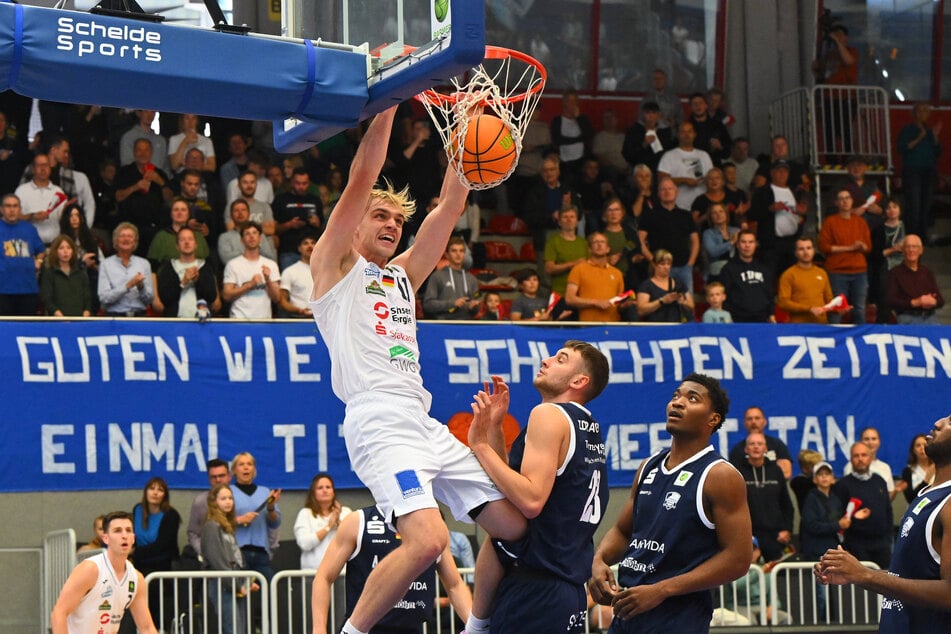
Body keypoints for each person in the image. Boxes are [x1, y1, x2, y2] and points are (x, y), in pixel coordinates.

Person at [308, 106, 526, 634]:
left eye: (398, 220)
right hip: (378, 422)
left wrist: (466, 133)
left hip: (422, 423)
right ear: (356, 220)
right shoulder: (335, 267)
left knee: (516, 527)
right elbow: (362, 177)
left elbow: (452, 204)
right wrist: (387, 105)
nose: (392, 225)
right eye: (380, 216)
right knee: (428, 541)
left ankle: (478, 627)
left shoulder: (403, 275)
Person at [462, 341, 610, 634]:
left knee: (496, 533)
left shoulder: (549, 415)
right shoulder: (586, 425)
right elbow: (512, 489)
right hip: (566, 592)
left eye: (561, 359)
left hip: (536, 590)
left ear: (579, 381)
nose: (547, 360)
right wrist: (494, 428)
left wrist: (479, 445)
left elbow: (530, 501)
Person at [588, 373, 752, 632]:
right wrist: (599, 561)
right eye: (676, 396)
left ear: (713, 419)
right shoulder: (647, 466)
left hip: (678, 614)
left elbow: (739, 559)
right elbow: (623, 530)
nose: (677, 402)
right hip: (629, 609)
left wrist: (662, 589)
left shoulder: (720, 475)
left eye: (692, 398)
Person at [816, 413, 951, 633]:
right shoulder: (929, 494)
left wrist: (864, 574)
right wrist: (855, 575)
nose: (937, 423)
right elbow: (906, 576)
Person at [312, 504, 472, 634]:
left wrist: (474, 628)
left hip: (412, 627)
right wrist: (319, 629)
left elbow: (455, 585)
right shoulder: (358, 521)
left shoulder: (433, 528)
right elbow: (324, 577)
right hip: (363, 628)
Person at [51, 511, 158, 634]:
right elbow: (59, 613)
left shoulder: (136, 579)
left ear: (133, 538)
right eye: (117, 531)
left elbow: (146, 628)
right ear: (105, 538)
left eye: (128, 530)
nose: (124, 535)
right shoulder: (90, 569)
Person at [129, 477, 180, 631]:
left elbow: (162, 545)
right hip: (139, 565)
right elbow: (134, 537)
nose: (155, 493)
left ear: (165, 494)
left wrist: (134, 553)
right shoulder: (137, 509)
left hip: (162, 567)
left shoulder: (171, 515)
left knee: (158, 610)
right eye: (152, 488)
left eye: (160, 489)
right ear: (146, 492)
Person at [832, 441, 893, 570]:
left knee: (885, 586)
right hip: (856, 545)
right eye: (856, 456)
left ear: (870, 458)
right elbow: (837, 517)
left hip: (882, 545)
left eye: (864, 455)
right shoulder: (842, 486)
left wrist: (888, 538)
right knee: (860, 589)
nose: (860, 459)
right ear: (851, 459)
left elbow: (888, 511)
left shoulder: (879, 480)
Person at [201, 484, 252, 634]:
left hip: (234, 581)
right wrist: (236, 585)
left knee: (240, 628)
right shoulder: (211, 526)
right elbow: (218, 561)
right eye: (223, 498)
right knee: (233, 628)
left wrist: (245, 583)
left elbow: (236, 557)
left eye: (230, 498)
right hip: (222, 583)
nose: (228, 501)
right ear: (214, 502)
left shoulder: (227, 526)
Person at [736, 432, 794, 563]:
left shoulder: (776, 470)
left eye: (760, 444)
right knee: (747, 579)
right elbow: (731, 506)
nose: (756, 447)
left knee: (777, 578)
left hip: (775, 535)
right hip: (748, 535)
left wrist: (787, 529)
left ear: (766, 448)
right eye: (752, 444)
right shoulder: (737, 471)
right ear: (746, 449)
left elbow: (786, 504)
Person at [637, 177, 699, 296]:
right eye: (663, 189)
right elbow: (640, 240)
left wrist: (690, 263)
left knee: (687, 305)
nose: (667, 192)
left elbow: (695, 241)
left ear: (677, 192)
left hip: (683, 267)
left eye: (670, 189)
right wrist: (652, 260)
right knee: (661, 304)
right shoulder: (649, 215)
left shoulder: (686, 215)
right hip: (659, 267)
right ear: (658, 193)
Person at [799, 461, 847, 616]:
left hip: (833, 551)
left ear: (833, 478)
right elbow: (812, 525)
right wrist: (838, 525)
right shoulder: (811, 499)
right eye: (820, 474)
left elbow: (839, 524)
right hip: (817, 552)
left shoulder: (835, 499)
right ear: (814, 479)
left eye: (827, 474)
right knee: (821, 595)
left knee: (835, 595)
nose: (824, 478)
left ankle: (834, 623)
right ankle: (821, 624)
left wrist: (843, 524)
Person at [748, 160, 808, 282]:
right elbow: (752, 214)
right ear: (772, 173)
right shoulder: (763, 191)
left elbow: (802, 213)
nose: (782, 174)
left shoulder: (795, 191)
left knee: (792, 278)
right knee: (769, 277)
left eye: (785, 171)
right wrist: (770, 209)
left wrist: (802, 217)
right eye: (779, 171)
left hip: (791, 242)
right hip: (771, 244)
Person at [818, 187, 871, 324]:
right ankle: (834, 340)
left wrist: (862, 247)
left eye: (847, 198)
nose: (844, 201)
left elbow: (868, 247)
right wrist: (850, 248)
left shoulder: (861, 222)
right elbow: (824, 247)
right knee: (837, 309)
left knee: (859, 309)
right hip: (837, 271)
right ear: (836, 203)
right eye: (841, 199)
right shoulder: (830, 221)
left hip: (859, 271)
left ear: (852, 201)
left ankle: (861, 340)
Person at [115, 138, 172, 254]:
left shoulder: (159, 173)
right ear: (134, 152)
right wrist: (135, 187)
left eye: (146, 150)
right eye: (139, 150)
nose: (143, 153)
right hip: (130, 229)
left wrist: (159, 181)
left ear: (151, 153)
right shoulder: (124, 172)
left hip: (155, 229)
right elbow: (117, 197)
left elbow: (170, 198)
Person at [897, 102, 942, 241]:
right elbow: (902, 148)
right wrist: (919, 137)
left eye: (926, 111)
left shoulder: (930, 131)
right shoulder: (908, 129)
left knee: (926, 204)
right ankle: (912, 236)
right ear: (914, 113)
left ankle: (922, 236)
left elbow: (937, 152)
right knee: (914, 204)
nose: (923, 113)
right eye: (920, 110)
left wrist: (935, 136)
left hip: (928, 171)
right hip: (912, 170)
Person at [152, 226, 220, 318]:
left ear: (196, 245)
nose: (187, 242)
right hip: (175, 321)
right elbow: (165, 297)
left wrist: (197, 281)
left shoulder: (205, 266)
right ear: (177, 246)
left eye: (190, 239)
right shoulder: (169, 267)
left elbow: (211, 296)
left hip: (202, 321)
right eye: (182, 240)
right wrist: (183, 282)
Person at [221, 222, 281, 319]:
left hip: (264, 320)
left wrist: (268, 279)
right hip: (239, 319)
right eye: (247, 234)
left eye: (254, 233)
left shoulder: (271, 264)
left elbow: (277, 298)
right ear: (242, 240)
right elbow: (226, 296)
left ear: (260, 238)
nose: (251, 236)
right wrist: (249, 285)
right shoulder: (233, 265)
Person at [565, 232, 630, 322]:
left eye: (602, 242)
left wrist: (625, 306)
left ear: (608, 249)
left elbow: (618, 304)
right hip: (588, 326)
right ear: (589, 249)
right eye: (595, 242)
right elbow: (569, 299)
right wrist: (595, 302)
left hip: (612, 326)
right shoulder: (579, 269)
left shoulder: (617, 273)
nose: (599, 245)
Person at [294, 473, 352, 571]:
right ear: (313, 493)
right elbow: (304, 544)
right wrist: (328, 527)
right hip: (313, 572)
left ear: (333, 491)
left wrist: (338, 523)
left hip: (342, 571)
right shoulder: (305, 513)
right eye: (320, 488)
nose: (325, 490)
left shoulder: (345, 512)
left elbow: (354, 540)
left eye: (328, 487)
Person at [0, 193, 45, 315]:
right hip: (3, 289)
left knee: (27, 328)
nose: (12, 210)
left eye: (15, 206)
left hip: (28, 288)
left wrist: (39, 261)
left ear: (20, 209)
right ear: (1, 209)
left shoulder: (30, 229)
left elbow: (41, 250)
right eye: (8, 206)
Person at [884, 234, 945, 325]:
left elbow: (940, 300)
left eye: (914, 247)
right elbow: (890, 300)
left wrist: (933, 302)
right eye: (908, 247)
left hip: (930, 317)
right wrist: (915, 302)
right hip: (908, 317)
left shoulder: (927, 272)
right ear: (903, 250)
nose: (911, 250)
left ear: (921, 251)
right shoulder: (895, 272)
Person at [272, 167, 323, 271]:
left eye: (304, 183)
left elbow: (322, 226)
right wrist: (289, 225)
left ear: (309, 183)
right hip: (289, 250)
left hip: (312, 251)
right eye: (297, 183)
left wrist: (317, 223)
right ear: (291, 182)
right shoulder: (281, 199)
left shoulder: (315, 200)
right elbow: (274, 229)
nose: (301, 187)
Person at [719, 230, 776, 323]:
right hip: (738, 321)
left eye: (751, 242)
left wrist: (771, 314)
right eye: (743, 242)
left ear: (756, 244)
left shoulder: (764, 269)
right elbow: (724, 296)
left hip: (762, 320)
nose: (747, 245)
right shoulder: (728, 269)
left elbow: (770, 295)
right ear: (737, 245)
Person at [98, 223, 154, 317]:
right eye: (122, 236)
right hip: (114, 318)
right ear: (116, 241)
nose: (126, 239)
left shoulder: (144, 264)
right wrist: (128, 286)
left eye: (130, 236)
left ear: (135, 241)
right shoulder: (106, 264)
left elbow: (149, 300)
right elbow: (104, 298)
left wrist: (141, 287)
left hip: (139, 317)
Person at [657, 121, 714, 211]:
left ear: (694, 134)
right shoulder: (669, 156)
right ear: (678, 135)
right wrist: (684, 180)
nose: (686, 135)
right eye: (683, 132)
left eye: (689, 131)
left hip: (702, 206)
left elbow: (712, 178)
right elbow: (661, 180)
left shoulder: (704, 155)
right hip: (678, 206)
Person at [423, 236, 482, 319]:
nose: (458, 254)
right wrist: (452, 304)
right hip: (443, 325)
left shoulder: (472, 279)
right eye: (454, 251)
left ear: (464, 254)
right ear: (447, 254)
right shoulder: (437, 276)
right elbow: (428, 304)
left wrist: (474, 306)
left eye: (461, 251)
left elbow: (476, 307)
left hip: (466, 324)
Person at [776, 236, 833, 324]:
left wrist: (839, 308)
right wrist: (808, 309)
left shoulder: (822, 273)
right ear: (795, 253)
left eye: (809, 248)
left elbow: (829, 299)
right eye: (801, 249)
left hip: (821, 325)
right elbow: (783, 302)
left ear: (814, 250)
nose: (806, 252)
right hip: (798, 327)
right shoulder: (788, 274)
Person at [15, 152, 68, 245]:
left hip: (54, 245)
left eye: (46, 165)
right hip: (27, 244)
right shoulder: (21, 191)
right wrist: (32, 216)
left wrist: (69, 210)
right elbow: (13, 217)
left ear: (50, 168)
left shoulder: (58, 191)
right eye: (39, 165)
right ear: (33, 169)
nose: (43, 169)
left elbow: (64, 219)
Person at [59, 202, 103, 312]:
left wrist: (94, 264)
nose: (74, 219)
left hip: (90, 280)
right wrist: (81, 263)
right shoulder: (60, 240)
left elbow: (102, 263)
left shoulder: (91, 239)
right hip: (69, 282)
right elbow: (58, 265)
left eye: (77, 215)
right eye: (71, 216)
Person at [728, 407, 793, 480]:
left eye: (757, 418)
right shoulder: (737, 450)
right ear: (744, 423)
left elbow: (787, 473)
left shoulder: (777, 445)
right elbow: (734, 478)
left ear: (765, 422)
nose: (753, 422)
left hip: (774, 487)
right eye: (749, 419)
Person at [146, 197, 211, 268]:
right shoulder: (161, 236)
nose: (179, 213)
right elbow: (152, 265)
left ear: (188, 214)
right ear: (171, 214)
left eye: (183, 210)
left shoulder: (198, 236)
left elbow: (207, 263)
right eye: (176, 210)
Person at [870, 197, 906, 323]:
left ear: (900, 210)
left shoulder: (907, 227)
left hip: (905, 267)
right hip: (885, 267)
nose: (892, 210)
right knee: (885, 299)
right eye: (888, 208)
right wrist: (893, 249)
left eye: (894, 207)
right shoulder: (878, 230)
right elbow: (875, 254)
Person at [844, 426, 905, 500]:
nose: (870, 442)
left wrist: (895, 490)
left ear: (879, 442)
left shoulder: (885, 467)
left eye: (874, 439)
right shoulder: (851, 466)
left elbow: (887, 500)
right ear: (861, 441)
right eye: (866, 439)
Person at [187, 458, 231, 557]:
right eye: (214, 477)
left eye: (221, 476)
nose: (218, 480)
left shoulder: (237, 499)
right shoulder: (200, 502)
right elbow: (193, 533)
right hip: (209, 556)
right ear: (209, 479)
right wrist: (203, 553)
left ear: (229, 476)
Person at [544, 205, 589, 300]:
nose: (569, 220)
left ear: (577, 222)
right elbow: (549, 268)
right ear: (559, 222)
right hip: (560, 294)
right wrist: (572, 264)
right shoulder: (553, 242)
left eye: (572, 217)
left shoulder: (584, 243)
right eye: (565, 217)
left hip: (581, 294)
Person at [636, 248, 693, 323]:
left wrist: (683, 302)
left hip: (676, 325)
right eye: (662, 264)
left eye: (668, 264)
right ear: (654, 265)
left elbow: (691, 306)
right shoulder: (646, 285)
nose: (666, 267)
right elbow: (641, 310)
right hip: (655, 327)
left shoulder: (678, 283)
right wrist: (662, 301)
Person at [40, 234, 92, 316]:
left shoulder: (80, 272)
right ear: (55, 251)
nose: (65, 251)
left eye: (68, 248)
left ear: (73, 251)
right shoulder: (49, 273)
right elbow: (47, 298)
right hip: (58, 321)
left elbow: (87, 297)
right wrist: (58, 315)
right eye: (61, 248)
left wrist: (86, 312)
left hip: (80, 321)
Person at [550, 89, 594, 182]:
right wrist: (578, 139)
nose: (572, 104)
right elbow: (558, 140)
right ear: (564, 102)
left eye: (574, 101)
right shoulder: (557, 120)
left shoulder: (583, 120)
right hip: (564, 163)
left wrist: (578, 118)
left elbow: (588, 136)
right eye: (569, 100)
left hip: (581, 162)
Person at [218, 199, 277, 266]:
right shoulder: (224, 237)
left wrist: (241, 253)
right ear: (231, 215)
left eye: (243, 210)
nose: (240, 213)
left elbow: (270, 258)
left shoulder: (258, 234)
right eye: (236, 210)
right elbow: (226, 259)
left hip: (259, 271)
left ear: (249, 214)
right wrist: (253, 250)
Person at [622, 102, 674, 178]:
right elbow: (627, 154)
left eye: (653, 113)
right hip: (639, 168)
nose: (650, 116)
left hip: (659, 170)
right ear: (643, 114)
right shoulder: (634, 131)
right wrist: (644, 144)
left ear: (659, 115)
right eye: (647, 113)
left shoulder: (664, 132)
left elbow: (668, 152)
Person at [278, 233, 318, 317]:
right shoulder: (290, 271)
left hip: (323, 320)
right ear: (299, 248)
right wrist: (299, 310)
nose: (310, 246)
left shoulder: (325, 271)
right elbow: (282, 302)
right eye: (305, 243)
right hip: (299, 319)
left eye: (313, 243)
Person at [700, 202, 738, 282]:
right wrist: (731, 242)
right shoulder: (708, 233)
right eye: (714, 213)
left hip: (737, 271)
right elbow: (713, 252)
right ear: (710, 217)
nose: (718, 214)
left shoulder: (736, 231)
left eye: (721, 211)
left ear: (726, 214)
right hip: (717, 272)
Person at [901, 433, 935, 503]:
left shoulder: (940, 467)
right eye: (918, 445)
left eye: (925, 445)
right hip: (916, 511)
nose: (922, 448)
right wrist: (926, 479)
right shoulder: (908, 471)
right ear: (913, 450)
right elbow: (910, 499)